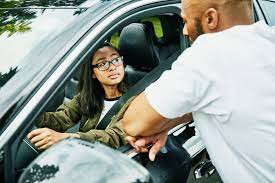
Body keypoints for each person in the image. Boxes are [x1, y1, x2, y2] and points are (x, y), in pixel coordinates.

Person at [122, 0, 275, 182]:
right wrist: (163, 123)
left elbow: (133, 122)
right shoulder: (269, 38)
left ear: (211, 18)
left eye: (186, 21)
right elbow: (235, 102)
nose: (185, 31)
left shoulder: (208, 55)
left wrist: (155, 124)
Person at [28, 42, 134, 150]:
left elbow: (113, 137)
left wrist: (66, 138)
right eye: (102, 64)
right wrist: (30, 113)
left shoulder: (136, 101)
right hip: (83, 153)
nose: (112, 67)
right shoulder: (87, 96)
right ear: (93, 73)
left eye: (116, 60)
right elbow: (61, 119)